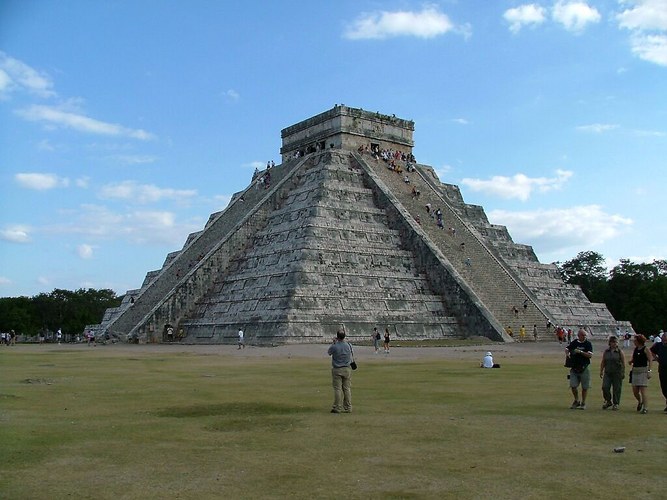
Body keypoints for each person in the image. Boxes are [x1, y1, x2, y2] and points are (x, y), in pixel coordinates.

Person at [565, 328, 593, 409]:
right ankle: (576, 400)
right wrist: (567, 354)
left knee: (585, 387)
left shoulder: (588, 344)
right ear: (578, 335)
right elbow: (567, 348)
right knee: (573, 385)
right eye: (583, 335)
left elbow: (590, 355)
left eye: (585, 335)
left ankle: (583, 402)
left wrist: (580, 352)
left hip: (584, 367)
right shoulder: (574, 343)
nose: (584, 337)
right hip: (574, 367)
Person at [327, 331, 353, 413]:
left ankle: (337, 407)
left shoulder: (335, 346)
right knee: (347, 389)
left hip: (337, 369)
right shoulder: (349, 345)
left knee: (337, 389)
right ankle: (348, 407)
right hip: (347, 368)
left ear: (337, 337)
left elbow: (329, 352)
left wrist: (334, 343)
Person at [599, 336, 626, 410]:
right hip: (608, 372)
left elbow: (623, 363)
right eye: (613, 342)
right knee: (605, 387)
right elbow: (603, 361)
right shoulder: (606, 351)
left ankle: (616, 403)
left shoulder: (620, 352)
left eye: (616, 342)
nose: (614, 344)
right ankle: (608, 401)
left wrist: (623, 372)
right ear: (610, 343)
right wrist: (601, 371)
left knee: (616, 388)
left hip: (617, 372)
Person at [629, 334, 652, 414]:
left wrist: (649, 371)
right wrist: (631, 361)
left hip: (643, 371)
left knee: (643, 390)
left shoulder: (646, 349)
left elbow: (650, 360)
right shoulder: (635, 349)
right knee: (635, 390)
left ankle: (645, 408)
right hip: (635, 370)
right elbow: (634, 358)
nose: (634, 342)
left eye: (635, 340)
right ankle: (640, 401)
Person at [650, 331, 667, 413]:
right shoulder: (659, 345)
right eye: (664, 338)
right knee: (664, 388)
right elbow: (652, 351)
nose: (665, 340)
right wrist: (656, 358)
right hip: (662, 369)